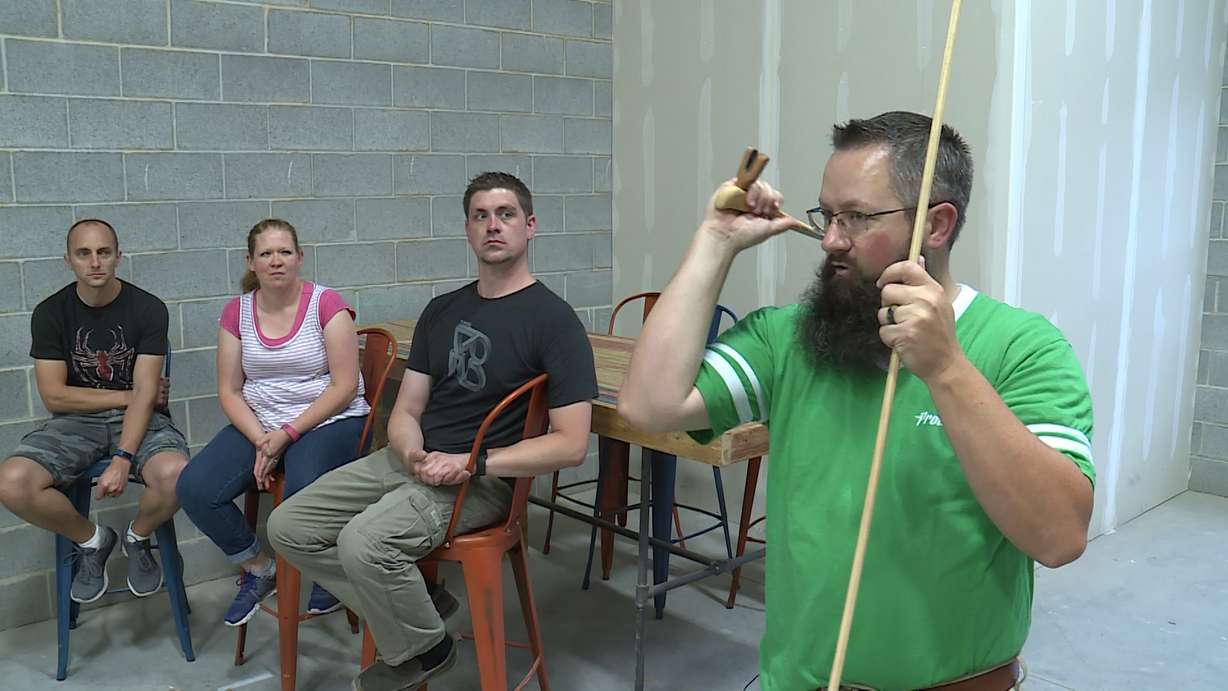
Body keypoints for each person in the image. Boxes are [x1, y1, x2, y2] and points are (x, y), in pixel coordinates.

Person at [617, 111, 1095, 691]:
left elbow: (1059, 536)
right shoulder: (789, 337)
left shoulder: (1021, 347)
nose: (830, 239)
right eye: (828, 214)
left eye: (857, 218)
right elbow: (648, 407)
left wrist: (945, 368)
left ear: (937, 225)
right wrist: (716, 241)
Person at [267, 172, 597, 691]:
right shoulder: (443, 310)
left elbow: (572, 444)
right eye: (481, 216)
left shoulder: (554, 320)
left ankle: (421, 648)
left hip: (480, 479)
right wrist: (407, 443)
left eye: (506, 214)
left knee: (362, 543)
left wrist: (473, 463)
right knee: (287, 526)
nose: (493, 226)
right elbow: (407, 406)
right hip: (412, 460)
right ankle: (422, 617)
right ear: (467, 229)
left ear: (530, 226)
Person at [175, 218, 371, 626]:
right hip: (262, 424)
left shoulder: (326, 304)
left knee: (299, 500)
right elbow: (229, 391)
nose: (276, 261)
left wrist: (287, 434)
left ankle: (326, 575)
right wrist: (263, 440)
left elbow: (345, 385)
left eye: (285, 252)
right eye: (266, 253)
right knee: (195, 487)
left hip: (328, 419)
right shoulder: (237, 312)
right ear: (251, 262)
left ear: (300, 257)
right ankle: (260, 568)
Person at [0, 218, 187, 603]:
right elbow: (55, 398)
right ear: (68, 260)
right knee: (11, 482)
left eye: (103, 252)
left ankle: (138, 535)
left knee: (178, 475)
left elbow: (146, 393)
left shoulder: (148, 308)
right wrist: (132, 394)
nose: (95, 262)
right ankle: (93, 540)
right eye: (84, 253)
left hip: (140, 422)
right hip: (75, 424)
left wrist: (123, 457)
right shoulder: (50, 313)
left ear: (118, 256)